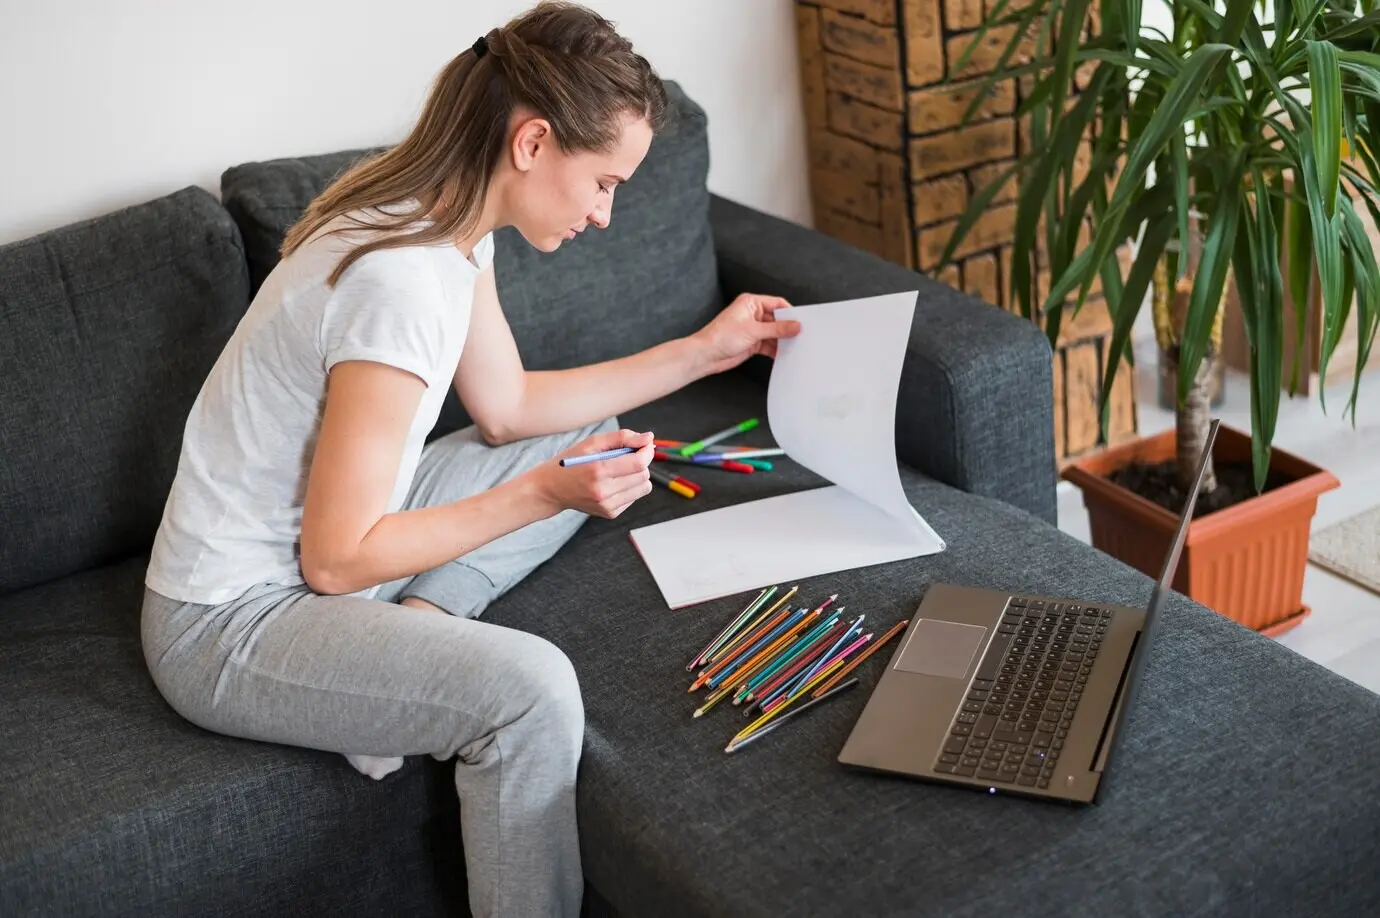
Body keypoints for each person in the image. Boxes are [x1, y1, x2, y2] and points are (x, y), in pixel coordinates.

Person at [138, 1, 799, 916]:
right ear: (532, 144)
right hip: (232, 621)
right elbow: (332, 561)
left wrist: (704, 349)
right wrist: (539, 496)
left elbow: (510, 408)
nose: (606, 215)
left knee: (588, 429)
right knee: (533, 693)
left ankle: (412, 634)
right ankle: (405, 664)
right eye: (603, 183)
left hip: (337, 552)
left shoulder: (445, 223)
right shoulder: (397, 282)